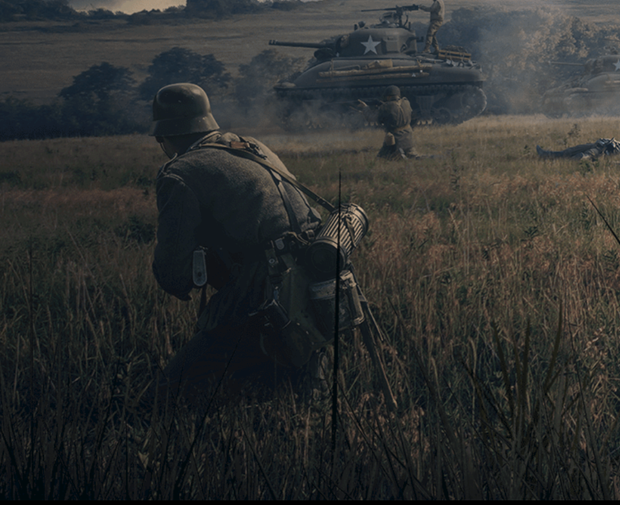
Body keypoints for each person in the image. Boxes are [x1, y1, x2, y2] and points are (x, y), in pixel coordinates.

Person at [147, 83, 324, 407]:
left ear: (163, 136)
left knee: (164, 398)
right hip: (315, 277)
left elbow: (172, 271)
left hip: (264, 291)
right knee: (291, 392)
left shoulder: (180, 172)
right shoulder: (250, 145)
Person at [363, 86, 418, 159]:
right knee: (415, 156)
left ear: (388, 96)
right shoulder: (406, 102)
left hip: (396, 140)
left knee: (380, 158)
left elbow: (372, 118)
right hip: (409, 139)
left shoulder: (386, 106)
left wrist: (365, 108)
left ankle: (399, 155)